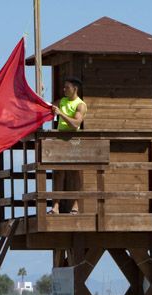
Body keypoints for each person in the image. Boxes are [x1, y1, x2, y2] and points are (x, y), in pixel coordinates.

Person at [48, 77, 87, 215]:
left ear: (75, 89)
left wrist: (60, 114)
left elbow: (76, 123)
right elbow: (48, 108)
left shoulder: (80, 105)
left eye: (67, 87)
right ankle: (56, 207)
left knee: (75, 173)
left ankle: (76, 205)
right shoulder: (62, 101)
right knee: (58, 173)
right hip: (60, 141)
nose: (64, 89)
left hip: (74, 141)